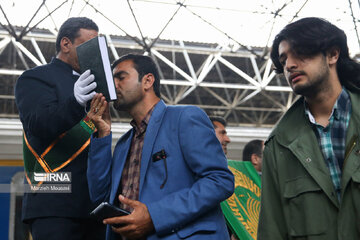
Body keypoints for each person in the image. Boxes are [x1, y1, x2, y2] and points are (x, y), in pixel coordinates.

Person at [86, 53, 234, 240]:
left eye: (121, 77)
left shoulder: (185, 118)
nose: (113, 86)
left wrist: (155, 216)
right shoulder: (124, 144)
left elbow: (220, 180)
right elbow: (99, 196)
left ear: (147, 81)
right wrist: (102, 134)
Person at [258, 17, 360, 239]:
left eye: (300, 52)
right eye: (283, 59)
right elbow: (272, 228)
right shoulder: (279, 145)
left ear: (333, 54)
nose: (290, 65)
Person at [15, 17, 105, 239]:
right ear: (66, 44)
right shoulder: (35, 77)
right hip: (54, 201)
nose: (93, 53)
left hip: (94, 206)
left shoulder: (95, 83)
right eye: (88, 45)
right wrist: (75, 102)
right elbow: (38, 123)